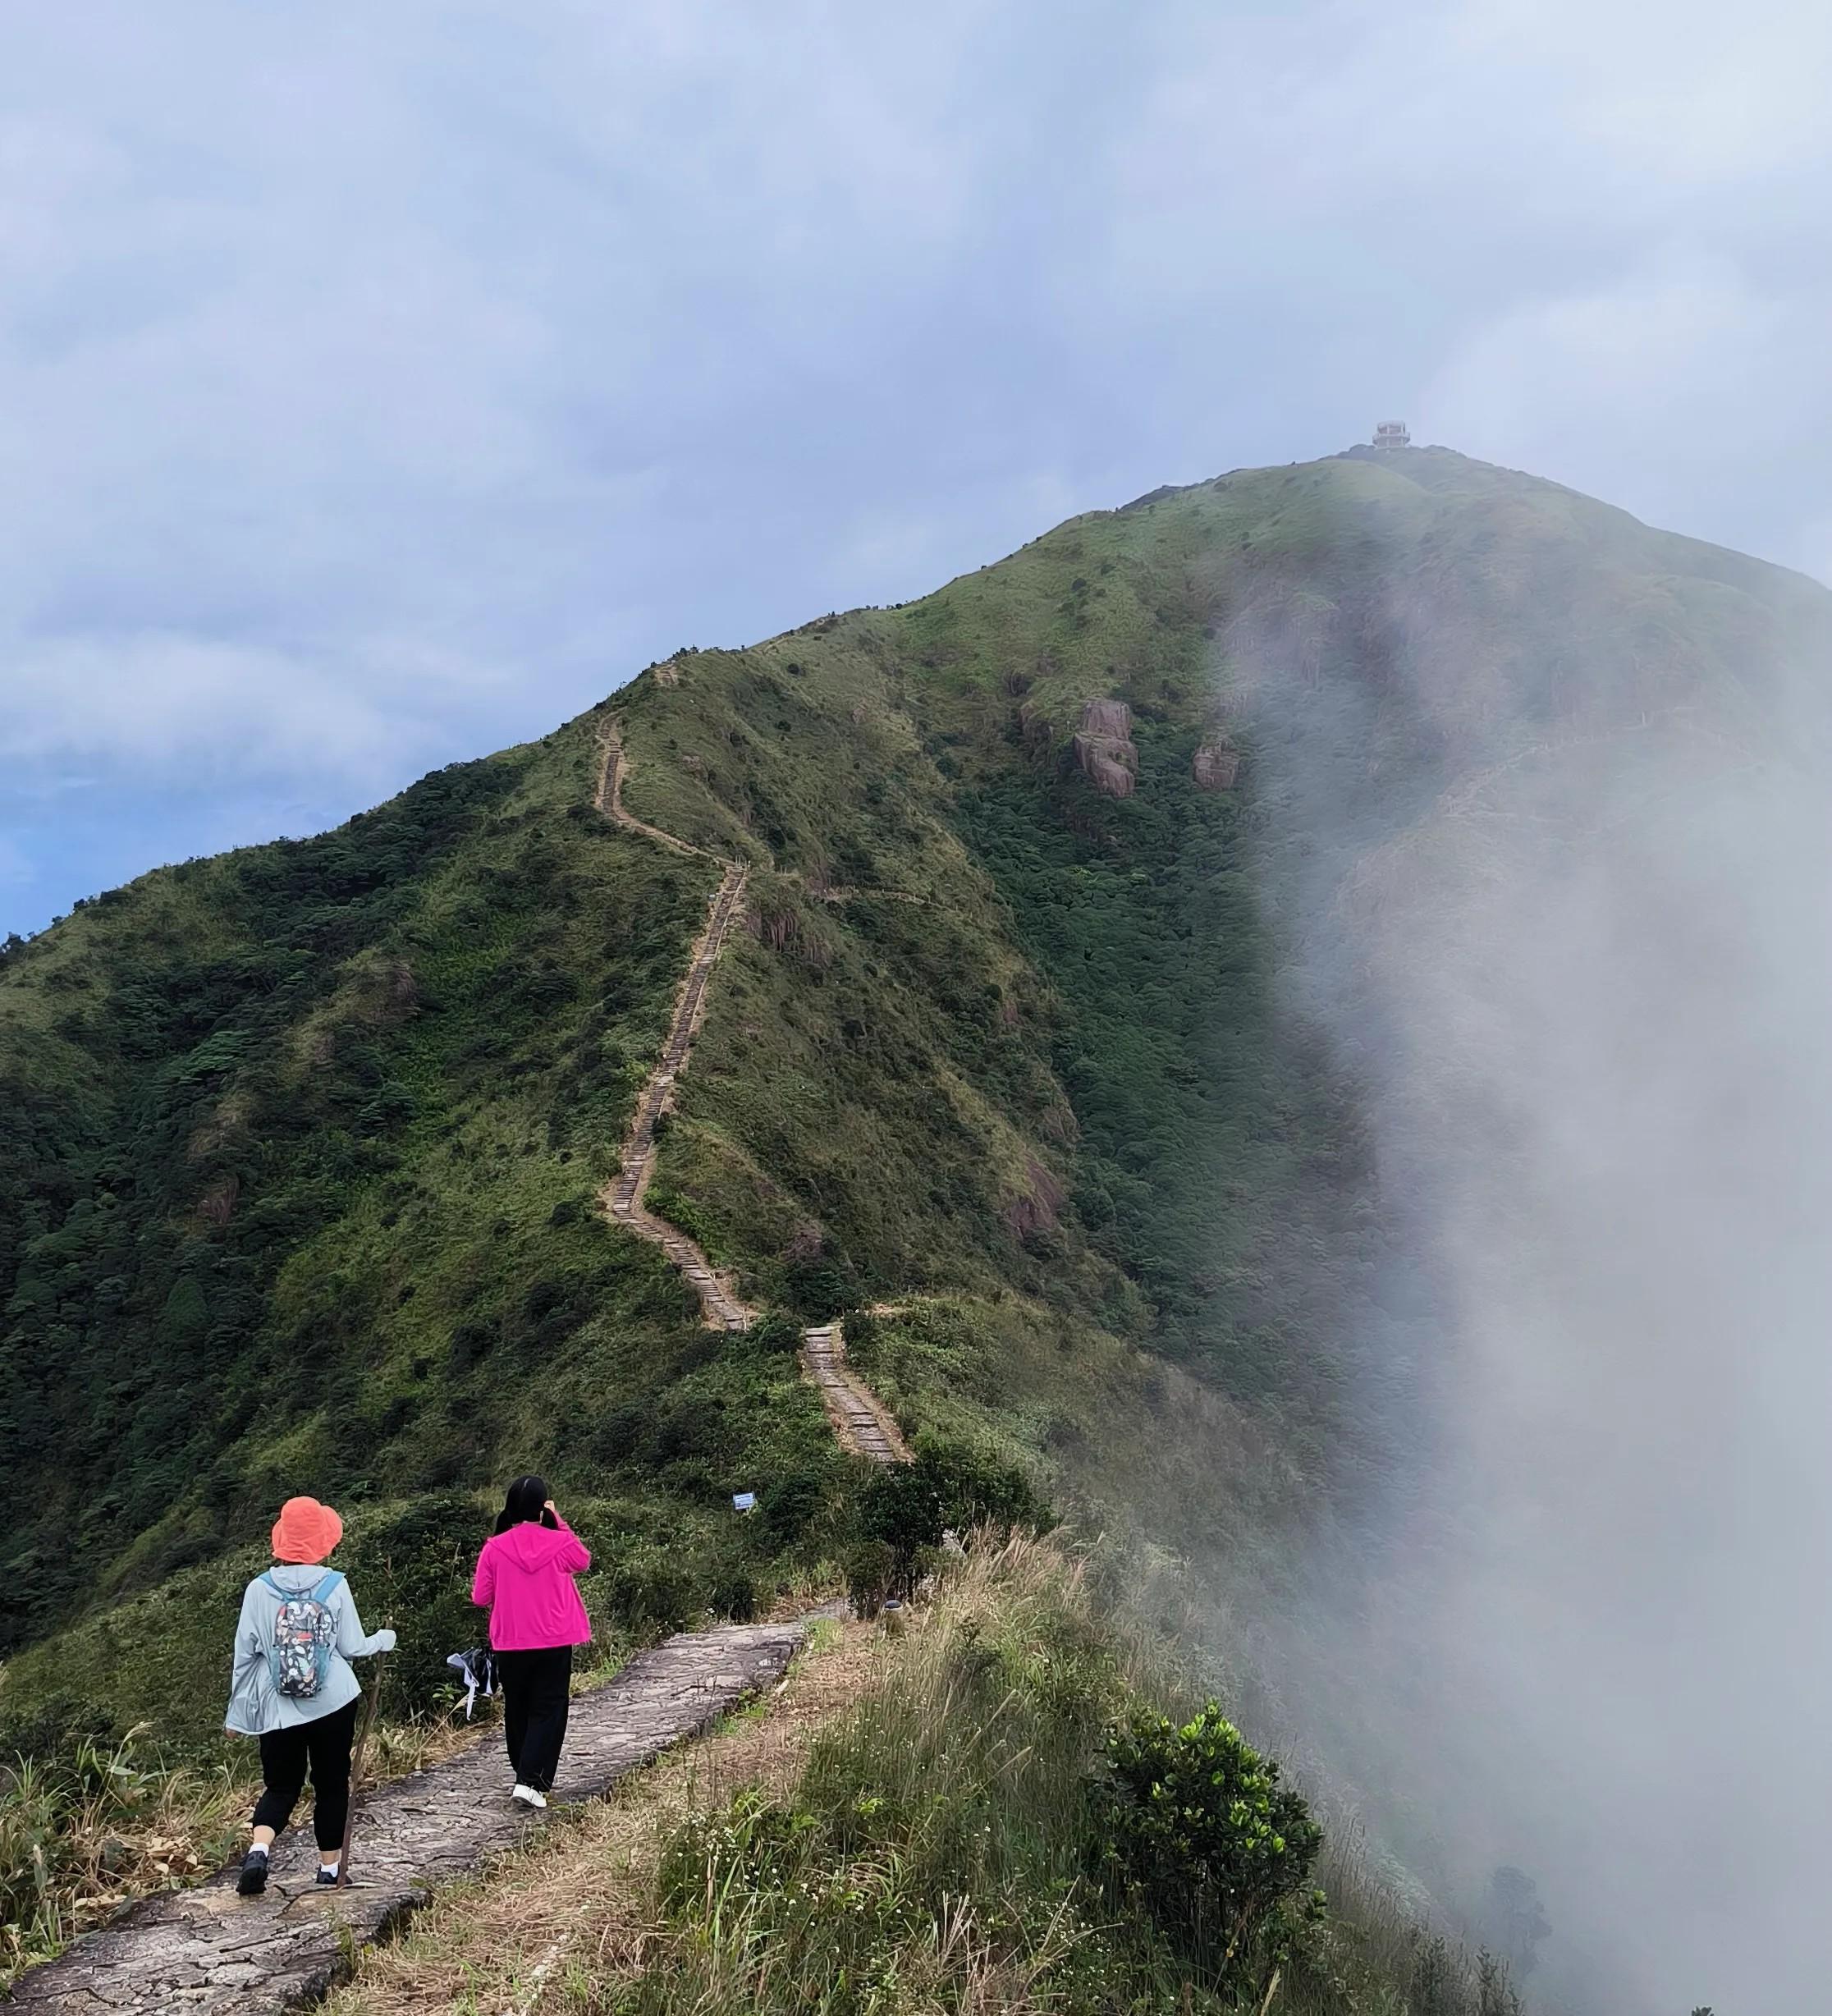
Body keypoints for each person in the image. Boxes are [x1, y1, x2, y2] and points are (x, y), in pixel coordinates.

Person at [225, 1495, 396, 1895]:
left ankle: (260, 1851)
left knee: (281, 1785)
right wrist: (383, 1639)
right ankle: (328, 1869)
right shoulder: (335, 1585)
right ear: (323, 1540)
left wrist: (237, 1714)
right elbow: (352, 1646)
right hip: (332, 1701)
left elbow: (245, 1655)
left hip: (278, 1705)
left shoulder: (258, 1590)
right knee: (331, 1783)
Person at [470, 1474, 591, 1810]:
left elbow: (481, 1597)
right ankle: (530, 1781)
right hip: (555, 1639)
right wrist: (559, 1521)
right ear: (542, 1509)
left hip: (511, 1642)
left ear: (509, 1508)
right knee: (549, 1708)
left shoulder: (494, 1547)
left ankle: (523, 1773)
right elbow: (582, 1560)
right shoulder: (559, 1541)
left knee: (519, 1708)